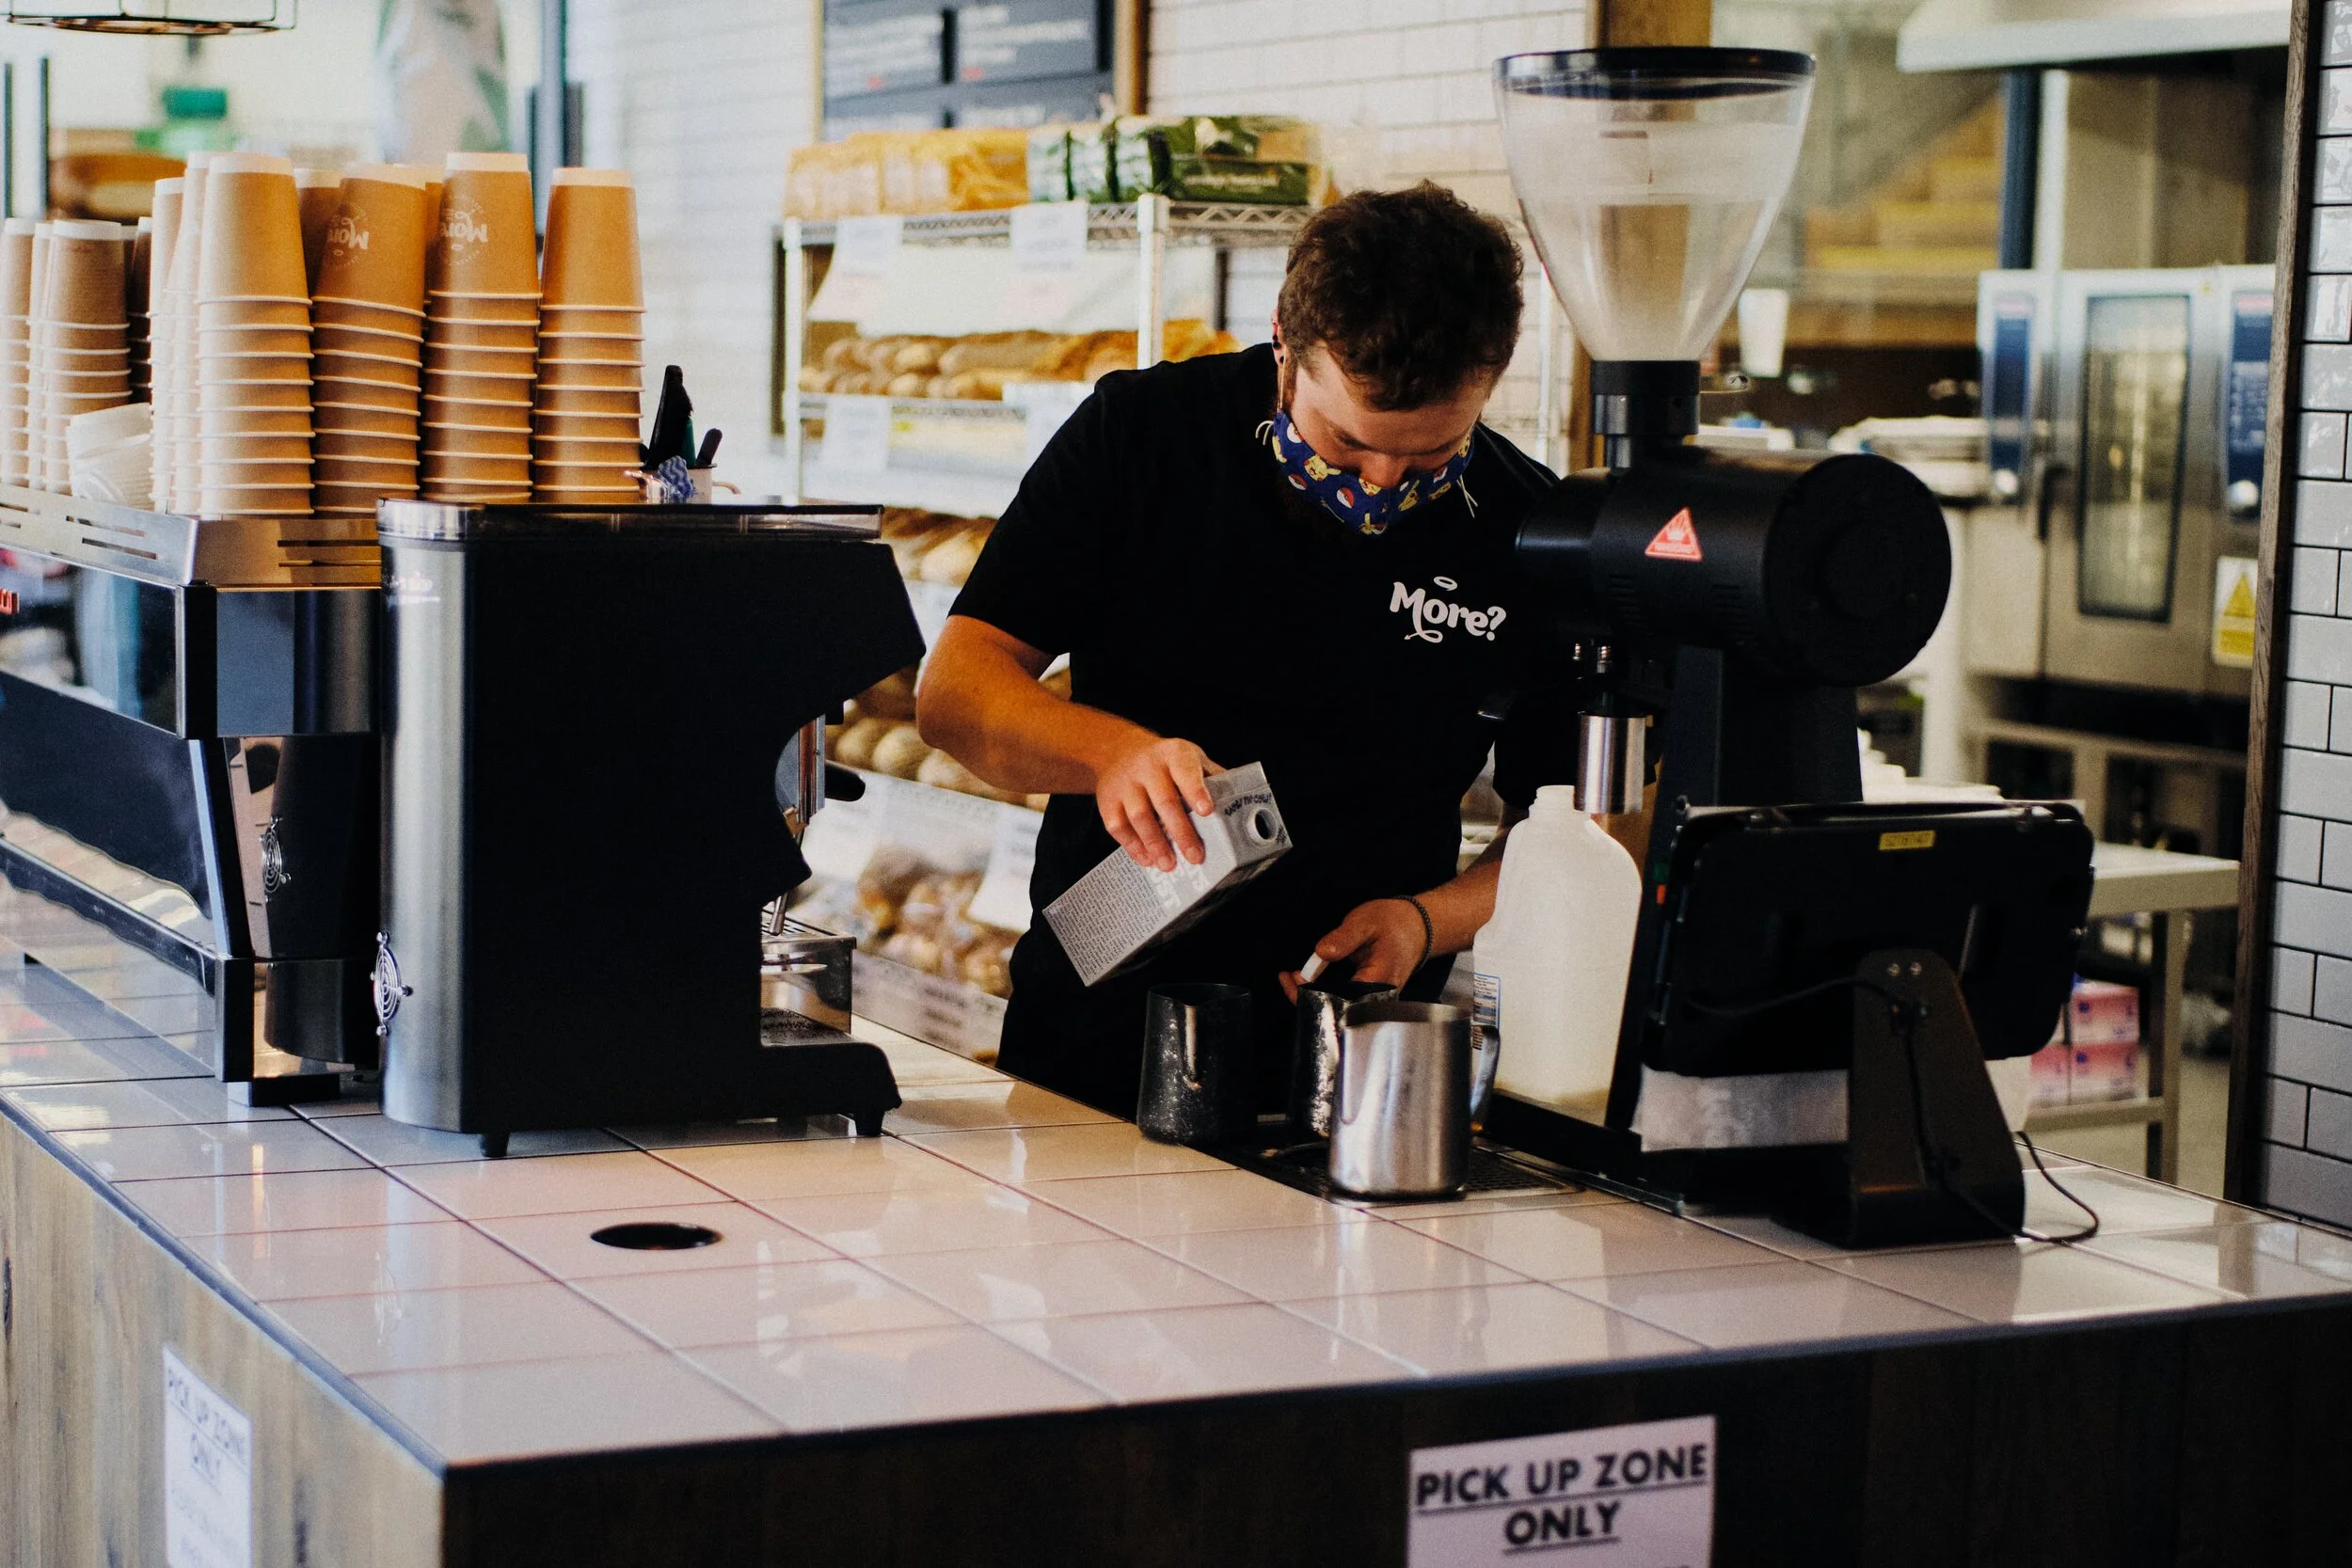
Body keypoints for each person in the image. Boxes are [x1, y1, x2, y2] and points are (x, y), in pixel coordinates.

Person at [916, 182, 1567, 1117]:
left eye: (1429, 455)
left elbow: (1581, 831)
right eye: (1345, 444)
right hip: (1102, 1017)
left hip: (1364, 1050)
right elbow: (955, 694)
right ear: (1282, 344)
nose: (1380, 485)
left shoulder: (1527, 529)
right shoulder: (1143, 436)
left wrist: (1429, 920)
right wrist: (1113, 754)